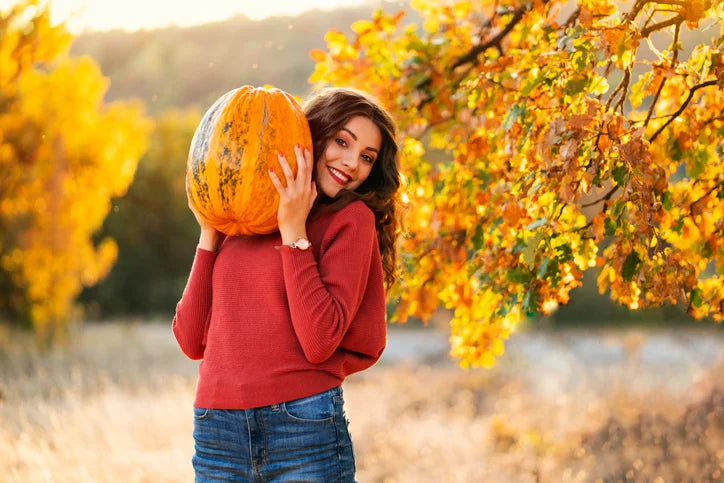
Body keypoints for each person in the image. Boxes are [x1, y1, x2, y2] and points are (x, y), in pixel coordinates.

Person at [172, 87, 402, 482]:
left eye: (367, 157)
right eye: (342, 142)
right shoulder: (241, 210)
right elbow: (191, 342)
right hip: (217, 429)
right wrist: (208, 235)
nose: (351, 163)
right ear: (312, 135)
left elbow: (318, 342)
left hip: (302, 424)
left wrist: (294, 232)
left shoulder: (351, 220)